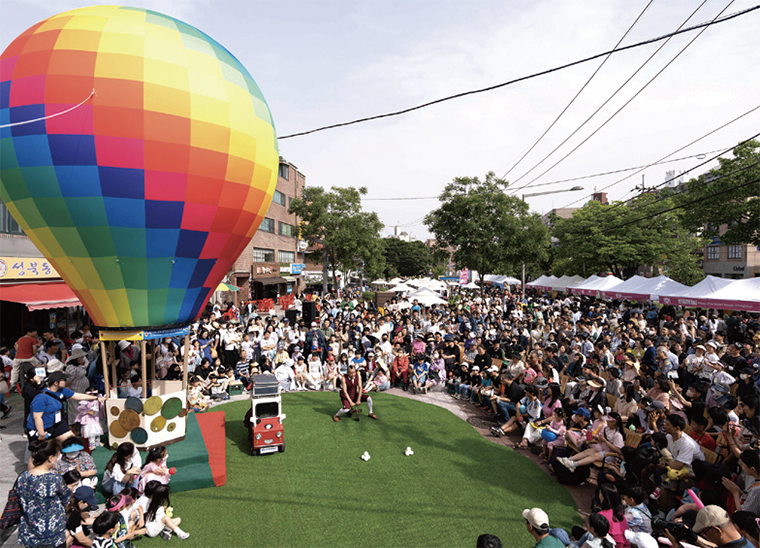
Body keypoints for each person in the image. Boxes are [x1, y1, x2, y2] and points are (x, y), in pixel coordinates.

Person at [17, 438, 69, 548]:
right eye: (57, 456)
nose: (58, 459)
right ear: (50, 458)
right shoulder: (54, 479)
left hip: (29, 531)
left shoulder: (22, 477)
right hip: (52, 532)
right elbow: (66, 499)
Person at [25, 371, 104, 443]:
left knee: (73, 443)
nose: (66, 381)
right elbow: (37, 418)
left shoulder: (63, 390)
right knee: (40, 455)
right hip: (41, 428)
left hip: (55, 424)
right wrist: (41, 434)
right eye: (63, 380)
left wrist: (96, 398)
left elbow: (78, 395)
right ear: (56, 383)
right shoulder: (41, 398)